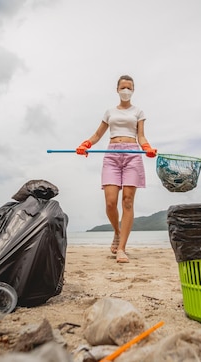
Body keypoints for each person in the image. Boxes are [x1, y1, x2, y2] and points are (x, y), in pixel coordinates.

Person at [76, 75, 157, 263]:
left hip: (132, 154)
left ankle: (122, 249)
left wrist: (147, 148)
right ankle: (117, 231)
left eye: (129, 88)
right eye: (123, 87)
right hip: (112, 154)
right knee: (111, 202)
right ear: (117, 89)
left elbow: (142, 137)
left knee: (127, 201)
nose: (126, 91)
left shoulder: (138, 112)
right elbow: (98, 134)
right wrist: (86, 144)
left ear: (133, 90)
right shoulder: (109, 112)